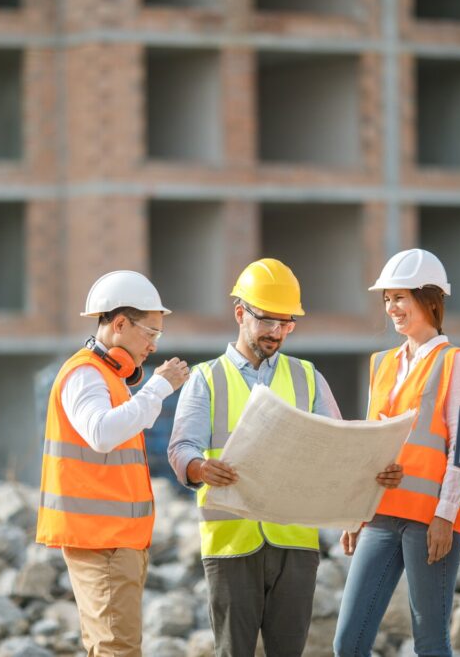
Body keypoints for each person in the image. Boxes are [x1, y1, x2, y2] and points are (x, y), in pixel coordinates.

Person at [168, 257, 402, 657]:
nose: (277, 332)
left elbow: (339, 446)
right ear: (240, 313)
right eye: (266, 321)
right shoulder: (206, 378)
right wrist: (201, 468)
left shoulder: (307, 376)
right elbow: (180, 449)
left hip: (295, 541)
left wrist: (372, 471)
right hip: (230, 543)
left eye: (286, 323)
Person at [334, 248, 460, 657]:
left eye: (400, 297)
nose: (391, 308)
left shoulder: (458, 363)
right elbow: (369, 446)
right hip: (380, 514)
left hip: (430, 520)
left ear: (429, 300)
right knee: (348, 642)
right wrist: (355, 511)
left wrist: (445, 516)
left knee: (431, 642)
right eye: (386, 299)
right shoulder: (381, 363)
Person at [35, 270, 190, 657]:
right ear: (120, 324)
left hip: (115, 541)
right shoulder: (86, 374)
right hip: (101, 541)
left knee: (110, 647)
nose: (154, 345)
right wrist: (158, 387)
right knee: (117, 649)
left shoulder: (109, 378)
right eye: (150, 333)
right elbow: (101, 434)